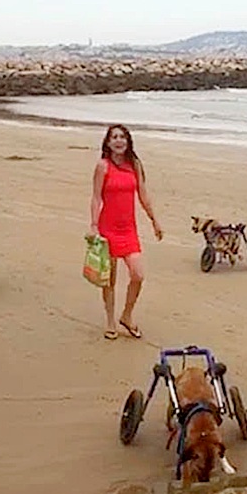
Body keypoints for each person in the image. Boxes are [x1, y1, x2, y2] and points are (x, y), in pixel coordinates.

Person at [90, 124, 163, 340]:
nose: (119, 141)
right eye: (114, 137)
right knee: (109, 280)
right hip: (107, 229)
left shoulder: (135, 165)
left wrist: (154, 221)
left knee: (138, 275)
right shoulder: (102, 166)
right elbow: (95, 197)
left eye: (122, 137)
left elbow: (143, 195)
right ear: (108, 142)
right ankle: (111, 321)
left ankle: (127, 316)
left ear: (128, 141)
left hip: (129, 230)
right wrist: (94, 226)